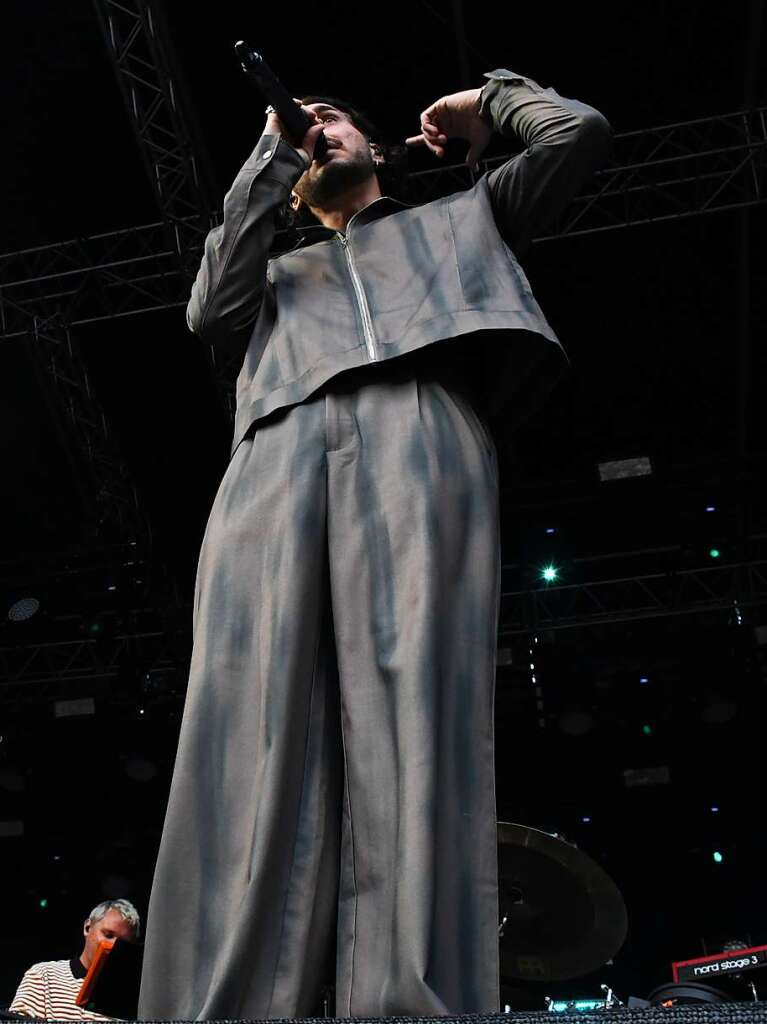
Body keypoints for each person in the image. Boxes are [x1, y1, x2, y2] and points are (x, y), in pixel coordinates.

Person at [138, 65, 611, 1020]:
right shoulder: (266, 270)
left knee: (411, 705)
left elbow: (576, 135)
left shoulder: (462, 219)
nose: (315, 127)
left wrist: (485, 105)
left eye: (332, 118)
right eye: (298, 124)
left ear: (378, 145)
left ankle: (406, 998)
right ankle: (217, 1002)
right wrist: (271, 159)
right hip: (274, 442)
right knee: (248, 714)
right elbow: (208, 312)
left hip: (417, 428)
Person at [9, 899, 140, 1020]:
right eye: (108, 935)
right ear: (87, 928)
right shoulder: (44, 974)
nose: (112, 946)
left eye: (122, 942)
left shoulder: (131, 998)